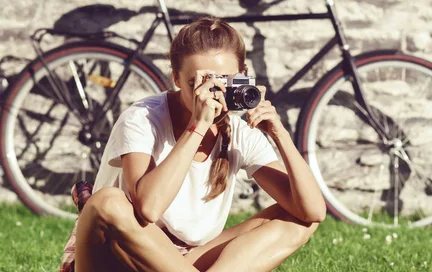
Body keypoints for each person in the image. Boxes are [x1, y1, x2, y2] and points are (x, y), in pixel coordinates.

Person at [72, 17, 326, 271]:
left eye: (223, 82)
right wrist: (198, 125)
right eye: (198, 83)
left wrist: (279, 133)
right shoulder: (142, 118)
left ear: (242, 76)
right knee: (107, 202)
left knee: (296, 218)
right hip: (118, 258)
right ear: (176, 78)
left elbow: (312, 212)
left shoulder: (239, 130)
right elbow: (148, 208)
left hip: (182, 262)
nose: (211, 93)